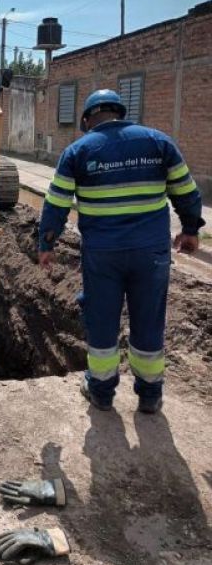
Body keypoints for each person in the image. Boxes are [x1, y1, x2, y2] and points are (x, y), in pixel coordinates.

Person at [38, 89, 204, 414]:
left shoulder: (78, 151)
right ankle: (150, 395)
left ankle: (101, 392)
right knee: (149, 321)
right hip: (151, 254)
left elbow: (56, 204)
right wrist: (190, 230)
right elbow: (186, 190)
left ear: (87, 120)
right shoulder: (159, 142)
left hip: (103, 255)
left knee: (102, 321)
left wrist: (46, 244)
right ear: (120, 112)